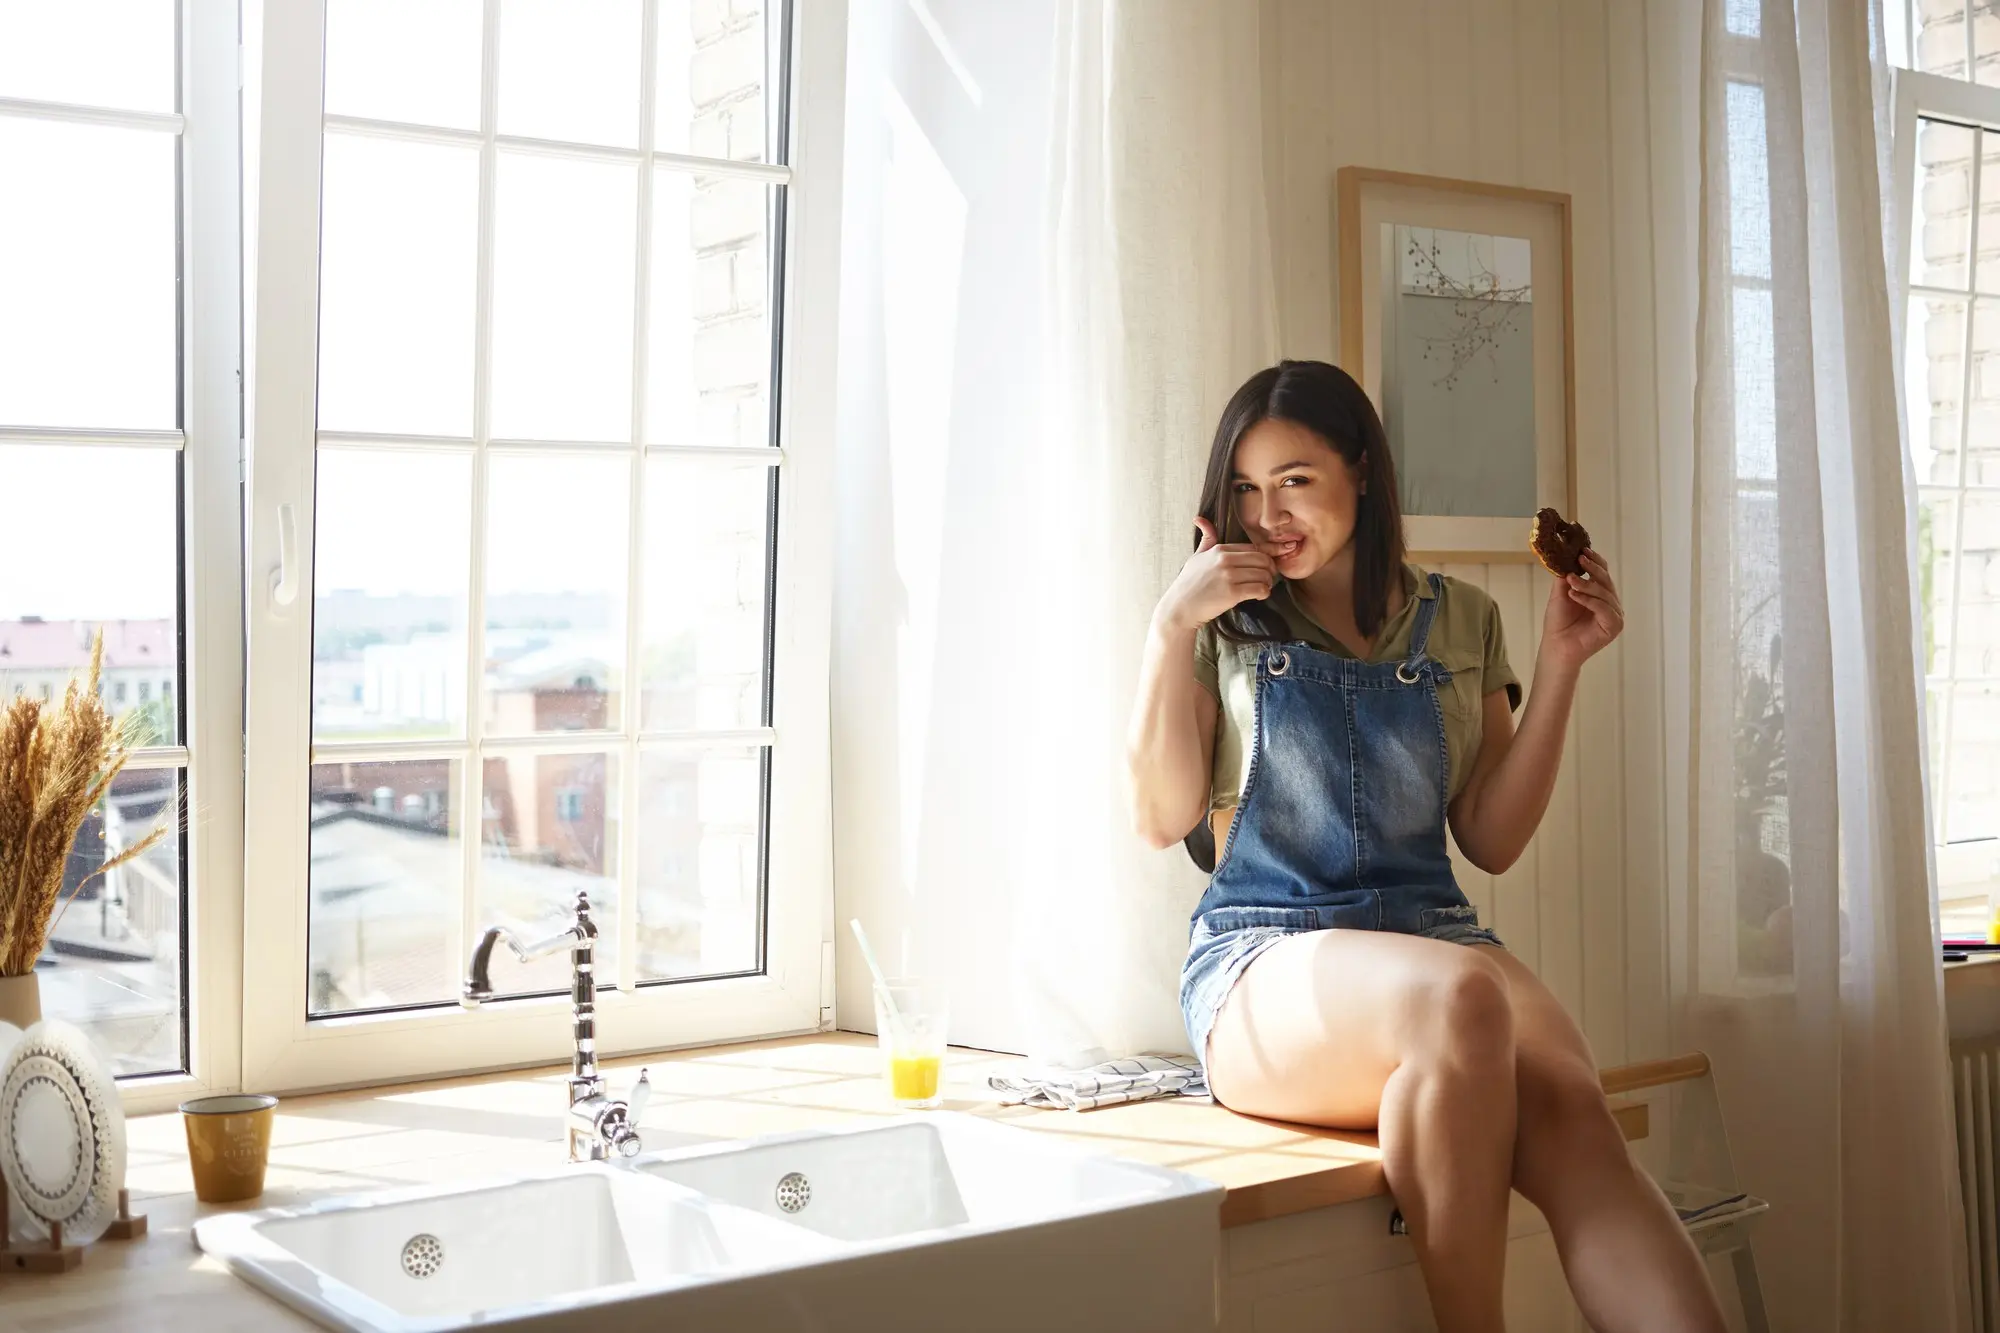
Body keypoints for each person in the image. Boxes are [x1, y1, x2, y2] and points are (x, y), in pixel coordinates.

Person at [1125, 361, 1725, 1332]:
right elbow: (1158, 817)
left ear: (1361, 472)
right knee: (1463, 996)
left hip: (1430, 939)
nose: (1265, 512)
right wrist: (1165, 625)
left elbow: (1488, 839)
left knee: (1573, 1110)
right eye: (1243, 487)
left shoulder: (1461, 618)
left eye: (1293, 480)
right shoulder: (1216, 623)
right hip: (1262, 958)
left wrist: (1561, 664)